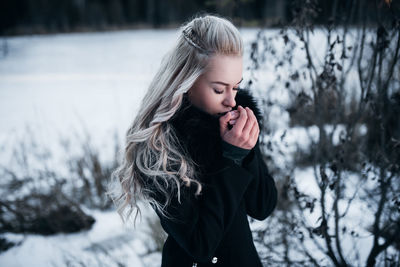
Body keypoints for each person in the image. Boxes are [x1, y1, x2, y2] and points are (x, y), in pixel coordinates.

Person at [110, 14, 277, 267]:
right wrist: (230, 157)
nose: (231, 100)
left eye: (236, 86)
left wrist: (246, 151)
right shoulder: (159, 146)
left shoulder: (231, 122)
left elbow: (262, 206)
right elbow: (200, 244)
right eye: (219, 89)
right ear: (185, 81)